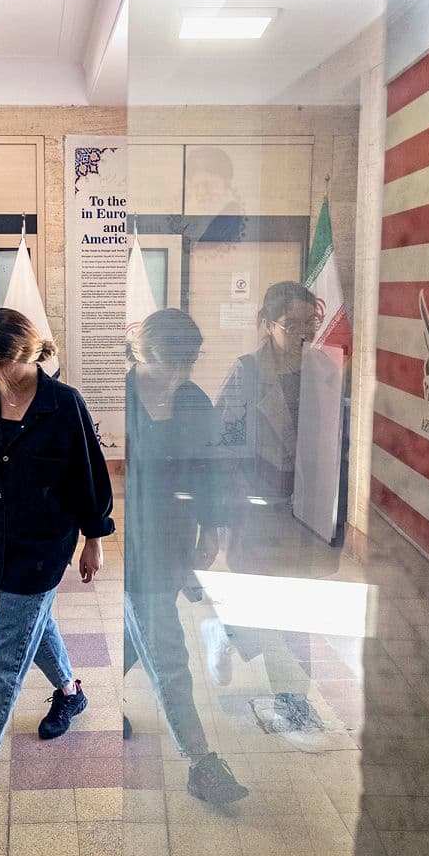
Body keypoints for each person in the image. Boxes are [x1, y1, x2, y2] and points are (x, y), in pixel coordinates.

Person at [0, 309, 115, 805]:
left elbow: (89, 476)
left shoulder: (64, 404)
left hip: (46, 545)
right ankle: (71, 694)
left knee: (6, 651)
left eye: (2, 363)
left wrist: (94, 538)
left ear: (28, 353)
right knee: (34, 621)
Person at [205, 281, 346, 748]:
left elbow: (336, 443)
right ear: (267, 323)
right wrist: (228, 507)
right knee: (277, 607)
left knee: (291, 607)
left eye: (312, 322)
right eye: (294, 324)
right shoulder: (246, 373)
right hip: (258, 511)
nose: (306, 332)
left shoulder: (324, 370)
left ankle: (240, 643)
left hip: (306, 509)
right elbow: (221, 444)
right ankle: (289, 698)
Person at [122, 309, 249, 802]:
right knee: (167, 648)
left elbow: (211, 469)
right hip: (126, 538)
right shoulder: (117, 399)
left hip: (172, 536)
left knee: (144, 628)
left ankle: (76, 692)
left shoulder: (195, 400)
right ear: (144, 352)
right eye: (171, 360)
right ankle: (201, 762)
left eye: (188, 361)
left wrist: (211, 531)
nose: (179, 372)